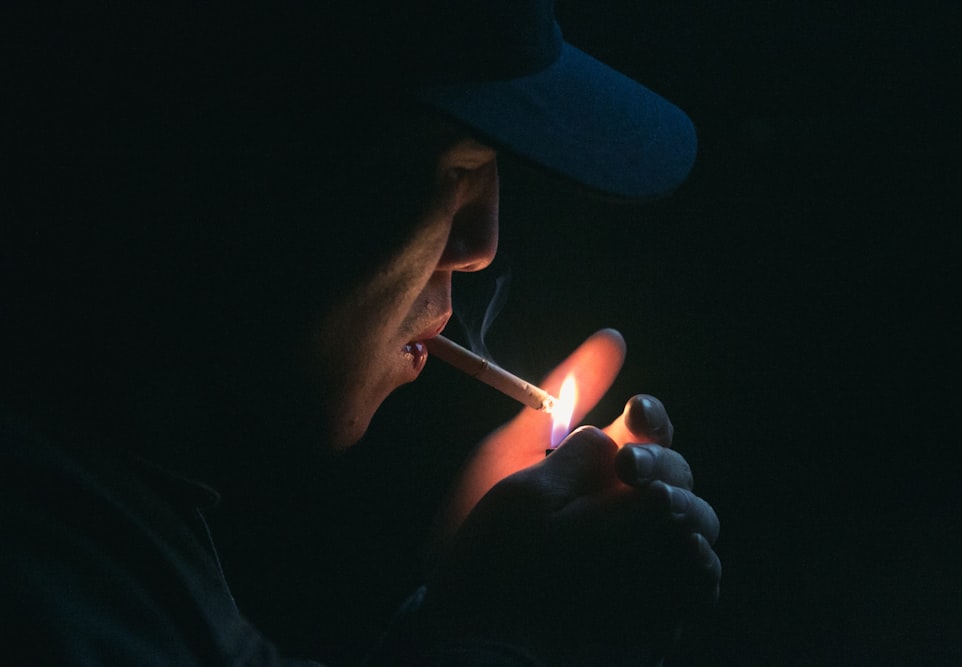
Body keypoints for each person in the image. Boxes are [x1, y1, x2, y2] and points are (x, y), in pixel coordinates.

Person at [1, 2, 721, 665]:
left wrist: (459, 619)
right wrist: (503, 646)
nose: (481, 243)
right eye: (455, 165)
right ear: (249, 157)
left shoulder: (116, 511)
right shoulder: (50, 589)